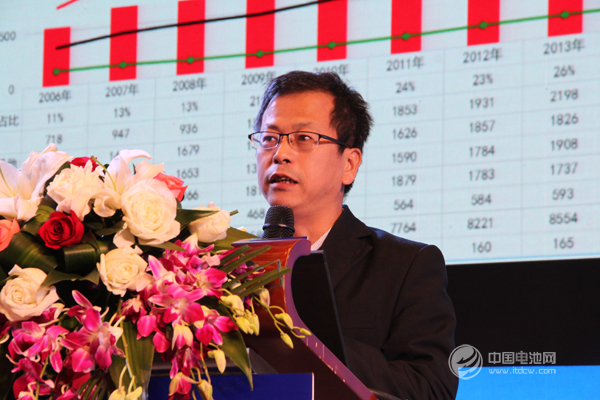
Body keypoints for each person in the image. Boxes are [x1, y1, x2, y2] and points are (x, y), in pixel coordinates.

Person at [248, 71, 458, 400]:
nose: (280, 153)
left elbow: (430, 388)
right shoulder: (226, 268)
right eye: (270, 138)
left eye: (303, 138)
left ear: (349, 164)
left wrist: (306, 340)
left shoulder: (406, 265)